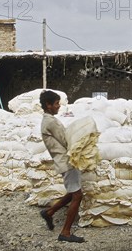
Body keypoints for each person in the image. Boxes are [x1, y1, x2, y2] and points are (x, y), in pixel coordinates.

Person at [39, 90, 85, 243]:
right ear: (48, 105)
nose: (58, 106)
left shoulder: (48, 119)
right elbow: (66, 140)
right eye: (56, 103)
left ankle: (50, 212)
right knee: (78, 196)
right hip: (66, 162)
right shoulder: (50, 122)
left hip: (65, 161)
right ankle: (65, 232)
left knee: (73, 193)